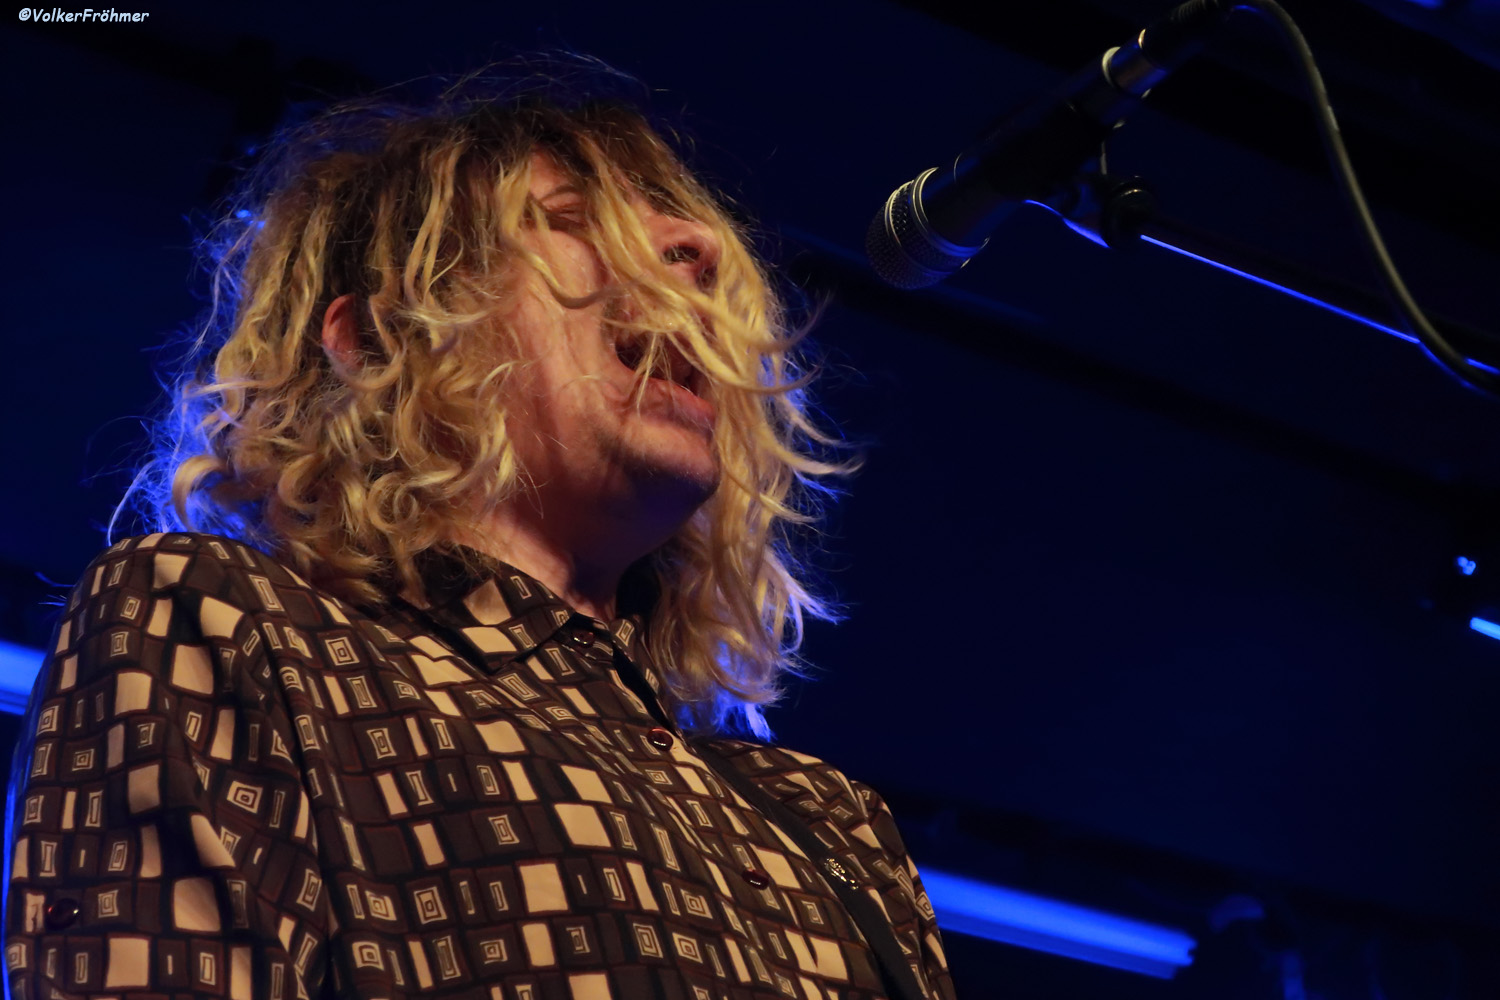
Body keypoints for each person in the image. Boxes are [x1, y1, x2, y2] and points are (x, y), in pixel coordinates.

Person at [3, 66, 958, 1000]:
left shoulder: (828, 823)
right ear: (380, 340)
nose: (700, 245)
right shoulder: (230, 631)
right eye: (575, 221)